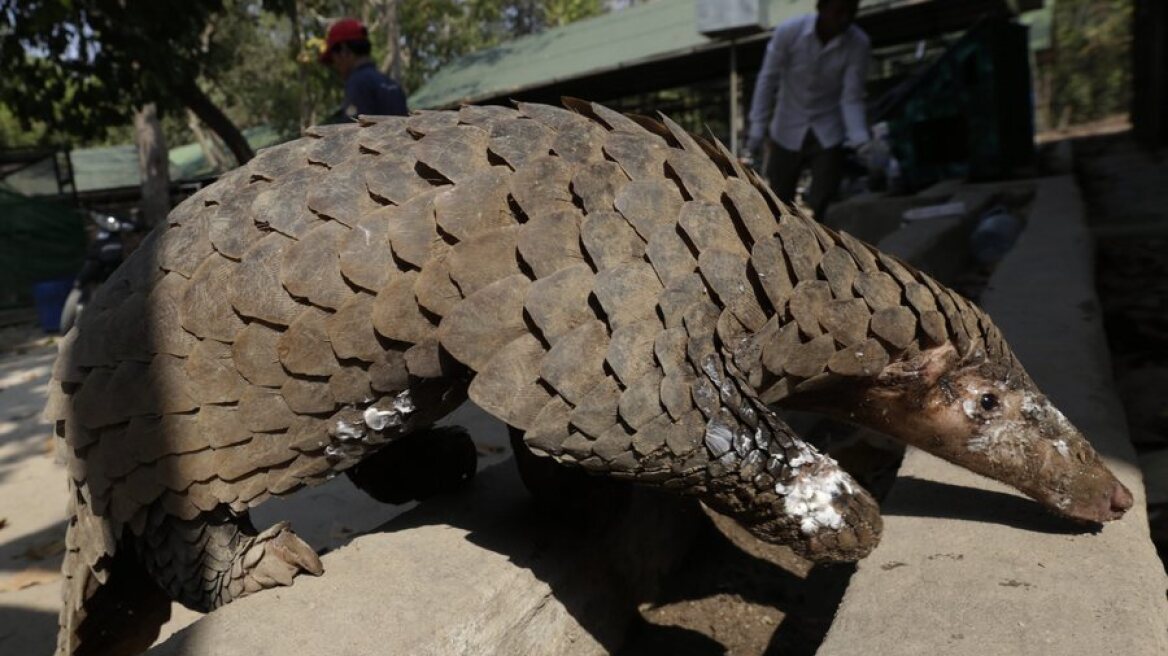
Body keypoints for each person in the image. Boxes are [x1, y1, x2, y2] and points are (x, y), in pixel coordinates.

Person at [746, 0, 871, 221]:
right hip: (787, 127)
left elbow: (851, 97)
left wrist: (861, 140)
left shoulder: (858, 43)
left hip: (828, 129)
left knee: (825, 196)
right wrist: (757, 129)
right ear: (822, 7)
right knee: (778, 199)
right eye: (839, 10)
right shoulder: (789, 32)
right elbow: (768, 80)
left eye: (851, 12)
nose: (845, 19)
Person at [320, 18, 409, 119]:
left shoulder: (357, 83)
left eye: (333, 59)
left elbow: (353, 131)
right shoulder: (393, 85)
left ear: (344, 50)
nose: (335, 65)